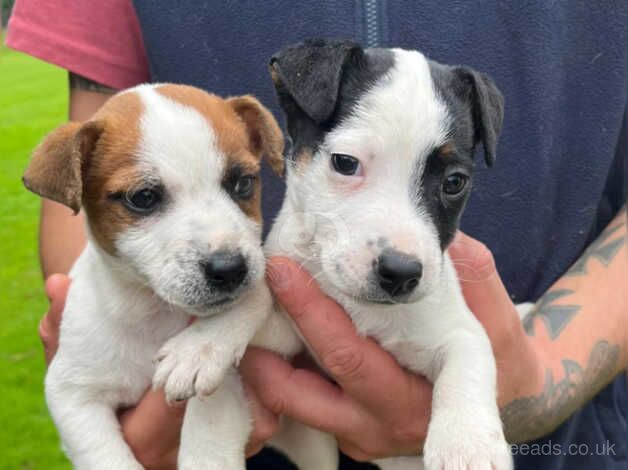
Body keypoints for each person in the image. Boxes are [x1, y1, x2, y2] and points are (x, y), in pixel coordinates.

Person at [7, 1, 627, 469]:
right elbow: (89, 175)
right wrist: (105, 341)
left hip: (567, 437)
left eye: (450, 181)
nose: (401, 241)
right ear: (292, 145)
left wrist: (544, 375)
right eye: (348, 165)